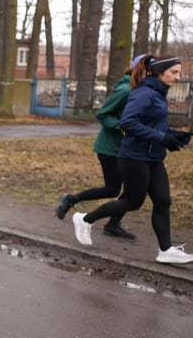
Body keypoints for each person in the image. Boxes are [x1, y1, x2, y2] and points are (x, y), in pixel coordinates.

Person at [72, 54, 193, 264]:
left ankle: (166, 250)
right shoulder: (143, 93)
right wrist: (162, 138)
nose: (177, 77)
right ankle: (85, 219)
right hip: (134, 157)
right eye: (174, 72)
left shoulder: (158, 93)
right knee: (132, 202)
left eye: (178, 73)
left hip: (153, 157)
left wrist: (174, 134)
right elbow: (128, 123)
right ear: (159, 72)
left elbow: (152, 125)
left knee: (163, 201)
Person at [55, 54, 145, 239]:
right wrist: (122, 127)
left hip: (125, 149)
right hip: (110, 149)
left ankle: (112, 224)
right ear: (140, 70)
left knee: (130, 189)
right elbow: (103, 114)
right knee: (113, 189)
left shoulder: (140, 91)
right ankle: (71, 199)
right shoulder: (125, 90)